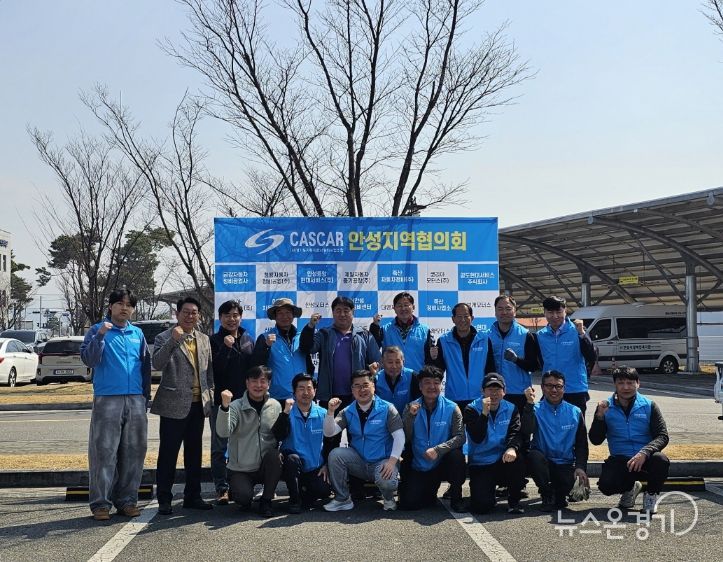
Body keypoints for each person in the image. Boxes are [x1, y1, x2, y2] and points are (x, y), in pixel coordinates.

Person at [80, 288, 151, 521]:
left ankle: (127, 501)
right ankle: (100, 504)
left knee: (135, 452)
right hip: (107, 398)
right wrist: (100, 335)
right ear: (110, 306)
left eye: (129, 305)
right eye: (120, 303)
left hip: (136, 399)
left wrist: (145, 396)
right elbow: (89, 359)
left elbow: (145, 367)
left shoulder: (137, 333)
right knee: (104, 452)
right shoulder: (97, 330)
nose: (124, 308)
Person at [151, 297, 214, 515]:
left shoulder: (204, 339)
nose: (190, 316)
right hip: (173, 404)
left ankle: (193, 496)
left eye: (194, 312)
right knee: (168, 454)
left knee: (194, 454)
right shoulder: (164, 337)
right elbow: (157, 364)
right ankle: (164, 498)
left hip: (198, 405)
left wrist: (210, 396)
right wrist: (173, 341)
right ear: (177, 314)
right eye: (185, 312)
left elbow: (209, 372)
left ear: (199, 316)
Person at [589, 366, 670, 514]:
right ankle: (630, 488)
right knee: (606, 486)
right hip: (621, 460)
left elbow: (662, 436)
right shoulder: (605, 406)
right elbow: (595, 440)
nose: (626, 387)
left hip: (645, 459)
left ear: (638, 383)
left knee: (661, 460)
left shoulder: (649, 405)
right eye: (621, 383)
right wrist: (599, 417)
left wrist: (644, 453)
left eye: (630, 383)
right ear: (615, 384)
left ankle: (651, 495)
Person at [323, 369, 404, 512]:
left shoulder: (388, 408)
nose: (362, 390)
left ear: (373, 386)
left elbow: (400, 437)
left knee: (387, 481)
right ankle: (343, 499)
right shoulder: (347, 411)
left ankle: (388, 498)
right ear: (352, 390)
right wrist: (330, 412)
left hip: (383, 462)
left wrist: (392, 462)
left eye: (365, 385)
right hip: (359, 462)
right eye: (357, 386)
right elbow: (329, 432)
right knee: (336, 455)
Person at [217, 366, 288, 518]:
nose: (258, 385)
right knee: (243, 498)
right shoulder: (235, 406)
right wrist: (224, 406)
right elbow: (223, 432)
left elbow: (280, 435)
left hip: (264, 466)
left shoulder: (275, 405)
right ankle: (238, 490)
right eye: (254, 381)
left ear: (269, 384)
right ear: (247, 383)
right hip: (241, 468)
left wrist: (286, 414)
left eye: (263, 381)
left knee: (275, 456)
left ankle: (266, 501)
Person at [399, 365, 466, 512]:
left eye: (436, 382)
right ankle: (429, 492)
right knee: (409, 504)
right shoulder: (411, 407)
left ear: (441, 385)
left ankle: (457, 498)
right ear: (420, 386)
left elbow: (460, 437)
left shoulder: (452, 407)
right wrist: (410, 417)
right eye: (427, 382)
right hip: (420, 464)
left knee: (457, 457)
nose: (432, 387)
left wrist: (438, 450)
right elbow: (405, 438)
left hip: (442, 462)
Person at [521, 370, 589, 511]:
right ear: (542, 387)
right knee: (533, 456)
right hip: (544, 462)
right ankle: (546, 493)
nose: (554, 390)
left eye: (558, 386)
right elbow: (526, 430)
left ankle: (558, 495)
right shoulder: (535, 409)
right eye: (549, 386)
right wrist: (529, 404)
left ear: (564, 388)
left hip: (565, 463)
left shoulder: (575, 412)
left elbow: (582, 443)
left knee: (569, 494)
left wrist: (580, 467)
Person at [209, 299, 254, 505]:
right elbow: (214, 370)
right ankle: (221, 488)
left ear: (241, 317)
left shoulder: (247, 339)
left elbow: (253, 369)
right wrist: (226, 349)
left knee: (244, 444)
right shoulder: (213, 341)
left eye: (235, 315)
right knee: (219, 446)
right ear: (220, 318)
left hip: (245, 402)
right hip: (221, 402)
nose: (231, 319)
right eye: (227, 315)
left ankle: (243, 484)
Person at [300, 295, 381, 408]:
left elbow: (377, 360)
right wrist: (310, 326)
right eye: (338, 311)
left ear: (353, 312)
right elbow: (308, 348)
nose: (342, 314)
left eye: (346, 310)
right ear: (333, 313)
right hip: (330, 396)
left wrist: (372, 368)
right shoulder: (324, 334)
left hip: (359, 395)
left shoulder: (364, 335)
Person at [463, 373, 526, 514]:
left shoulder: (511, 408)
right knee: (482, 507)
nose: (494, 393)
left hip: (503, 459)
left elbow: (516, 433)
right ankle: (487, 494)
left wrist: (512, 448)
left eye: (498, 389)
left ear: (504, 391)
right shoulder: (471, 409)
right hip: (481, 462)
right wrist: (484, 414)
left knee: (518, 458)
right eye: (490, 389)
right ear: (482, 391)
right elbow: (477, 437)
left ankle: (514, 501)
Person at [280, 374, 335, 512]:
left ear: (315, 391)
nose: (305, 392)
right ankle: (294, 500)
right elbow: (278, 435)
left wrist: (326, 464)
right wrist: (285, 414)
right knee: (292, 459)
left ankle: (304, 494)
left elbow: (330, 442)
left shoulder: (324, 413)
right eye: (301, 388)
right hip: (292, 465)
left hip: (315, 467)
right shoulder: (287, 412)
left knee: (324, 491)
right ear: (294, 392)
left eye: (309, 388)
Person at [534, 296, 596, 414]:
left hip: (575, 389)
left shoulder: (578, 330)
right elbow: (539, 362)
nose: (555, 316)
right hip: (550, 390)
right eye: (550, 312)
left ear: (565, 311)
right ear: (544, 313)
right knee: (549, 423)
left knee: (576, 424)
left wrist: (582, 334)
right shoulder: (540, 335)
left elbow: (592, 356)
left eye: (558, 312)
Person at [431, 303, 495, 410]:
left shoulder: (484, 340)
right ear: (453, 319)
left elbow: (491, 369)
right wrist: (433, 359)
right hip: (454, 399)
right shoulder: (443, 341)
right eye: (459, 317)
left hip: (479, 398)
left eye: (466, 316)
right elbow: (438, 370)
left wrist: (490, 393)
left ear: (472, 318)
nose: (463, 320)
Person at [251, 297, 313, 402]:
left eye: (288, 312)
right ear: (275, 316)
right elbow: (256, 366)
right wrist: (266, 346)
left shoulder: (301, 337)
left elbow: (309, 365)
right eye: (280, 313)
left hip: (302, 397)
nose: (284, 316)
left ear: (293, 315)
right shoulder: (264, 338)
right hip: (276, 398)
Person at [488, 295, 537, 411]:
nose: (504, 312)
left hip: (519, 393)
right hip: (494, 393)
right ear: (495, 312)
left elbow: (534, 366)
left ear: (515, 312)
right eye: (500, 309)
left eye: (508, 309)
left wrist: (516, 360)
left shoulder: (525, 335)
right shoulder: (487, 336)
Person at [370, 291, 432, 372]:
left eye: (406, 305)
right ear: (394, 309)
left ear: (413, 307)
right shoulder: (385, 330)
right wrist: (375, 327)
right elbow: (373, 351)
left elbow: (430, 358)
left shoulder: (425, 331)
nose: (403, 308)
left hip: (417, 377)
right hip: (392, 377)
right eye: (399, 305)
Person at [370, 346, 419, 414]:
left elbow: (420, 401)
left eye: (397, 362)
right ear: (382, 363)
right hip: (384, 419)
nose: (394, 366)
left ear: (403, 362)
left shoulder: (412, 376)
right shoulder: (376, 379)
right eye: (390, 362)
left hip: (408, 418)